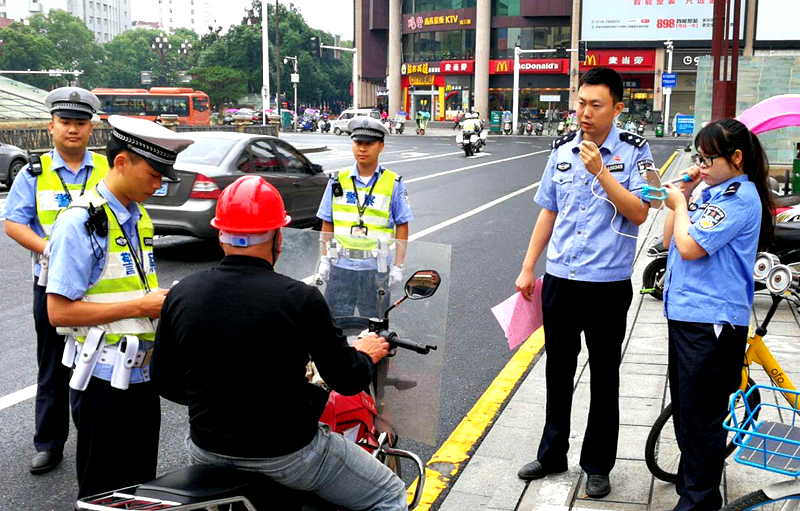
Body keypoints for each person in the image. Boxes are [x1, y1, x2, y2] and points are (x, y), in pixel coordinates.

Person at [151, 175, 408, 510]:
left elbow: (166, 379)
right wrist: (365, 353)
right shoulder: (301, 299)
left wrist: (222, 402)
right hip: (287, 455)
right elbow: (346, 380)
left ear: (221, 235)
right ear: (277, 236)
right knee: (389, 493)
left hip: (205, 450)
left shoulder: (183, 293)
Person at [514, 67, 654, 498]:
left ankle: (597, 464)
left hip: (606, 285)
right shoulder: (561, 148)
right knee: (557, 370)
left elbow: (640, 212)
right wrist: (527, 266)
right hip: (560, 280)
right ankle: (553, 452)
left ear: (617, 108)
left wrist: (602, 173)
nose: (585, 113)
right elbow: (548, 211)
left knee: (604, 375)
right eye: (580, 103)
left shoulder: (635, 151)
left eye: (596, 105)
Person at [45, 115, 193, 498]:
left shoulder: (137, 216)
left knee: (140, 489)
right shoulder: (79, 222)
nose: (159, 185)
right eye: (154, 174)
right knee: (103, 494)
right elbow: (59, 312)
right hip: (102, 384)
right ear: (122, 162)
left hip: (143, 378)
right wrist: (140, 305)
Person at [661, 119, 774, 511]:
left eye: (709, 159)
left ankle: (700, 501)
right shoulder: (711, 193)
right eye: (699, 157)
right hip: (688, 315)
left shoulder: (739, 199)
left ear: (736, 158)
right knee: (688, 416)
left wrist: (680, 204)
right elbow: (667, 240)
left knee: (702, 419)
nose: (701, 165)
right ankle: (693, 488)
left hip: (711, 325)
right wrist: (685, 193)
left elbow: (690, 248)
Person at [2, 87, 107, 475]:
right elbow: (14, 223)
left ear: (91, 128)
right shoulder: (34, 173)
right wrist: (51, 250)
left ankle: (95, 436)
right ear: (51, 127)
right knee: (52, 368)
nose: (73, 130)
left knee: (100, 362)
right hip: (49, 285)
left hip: (99, 285)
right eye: (66, 123)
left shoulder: (107, 170)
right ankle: (48, 443)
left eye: (81, 123)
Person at [316, 117, 413, 317]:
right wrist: (324, 259)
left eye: (369, 144)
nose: (362, 148)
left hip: (375, 270)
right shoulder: (337, 180)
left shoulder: (393, 183)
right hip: (340, 267)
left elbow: (402, 226)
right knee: (335, 327)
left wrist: (398, 266)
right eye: (358, 143)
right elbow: (328, 222)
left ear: (381, 147)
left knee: (375, 327)